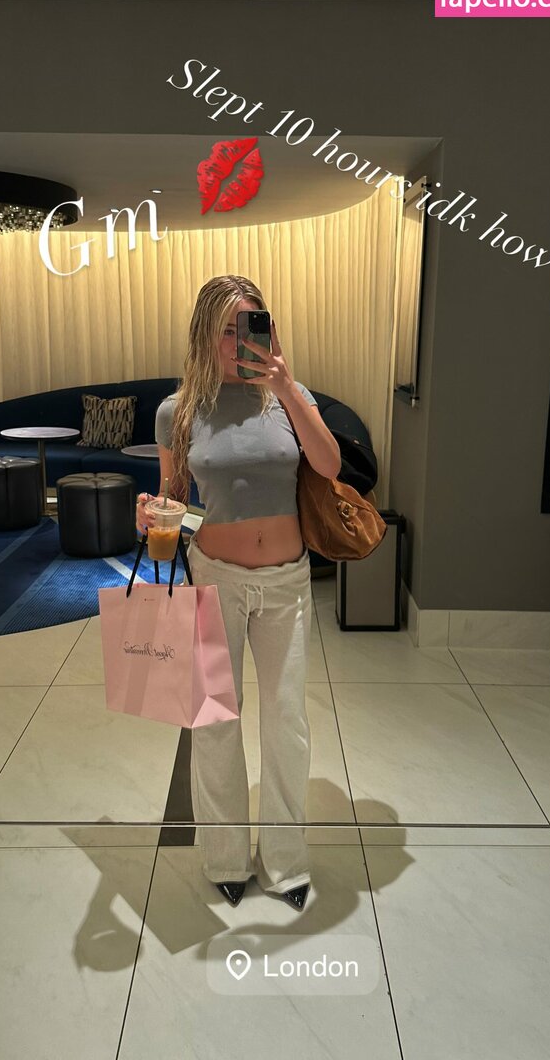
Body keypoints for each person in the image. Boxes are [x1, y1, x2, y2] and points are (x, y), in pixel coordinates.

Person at [136, 274, 341, 912]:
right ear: (203, 334)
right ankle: (225, 858)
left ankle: (284, 861)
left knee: (287, 722)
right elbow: (175, 496)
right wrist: (153, 513)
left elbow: (330, 465)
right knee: (216, 720)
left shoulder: (289, 397)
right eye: (225, 329)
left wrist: (285, 385)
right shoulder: (178, 411)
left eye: (250, 326)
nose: (238, 342)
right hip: (214, 576)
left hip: (287, 584)